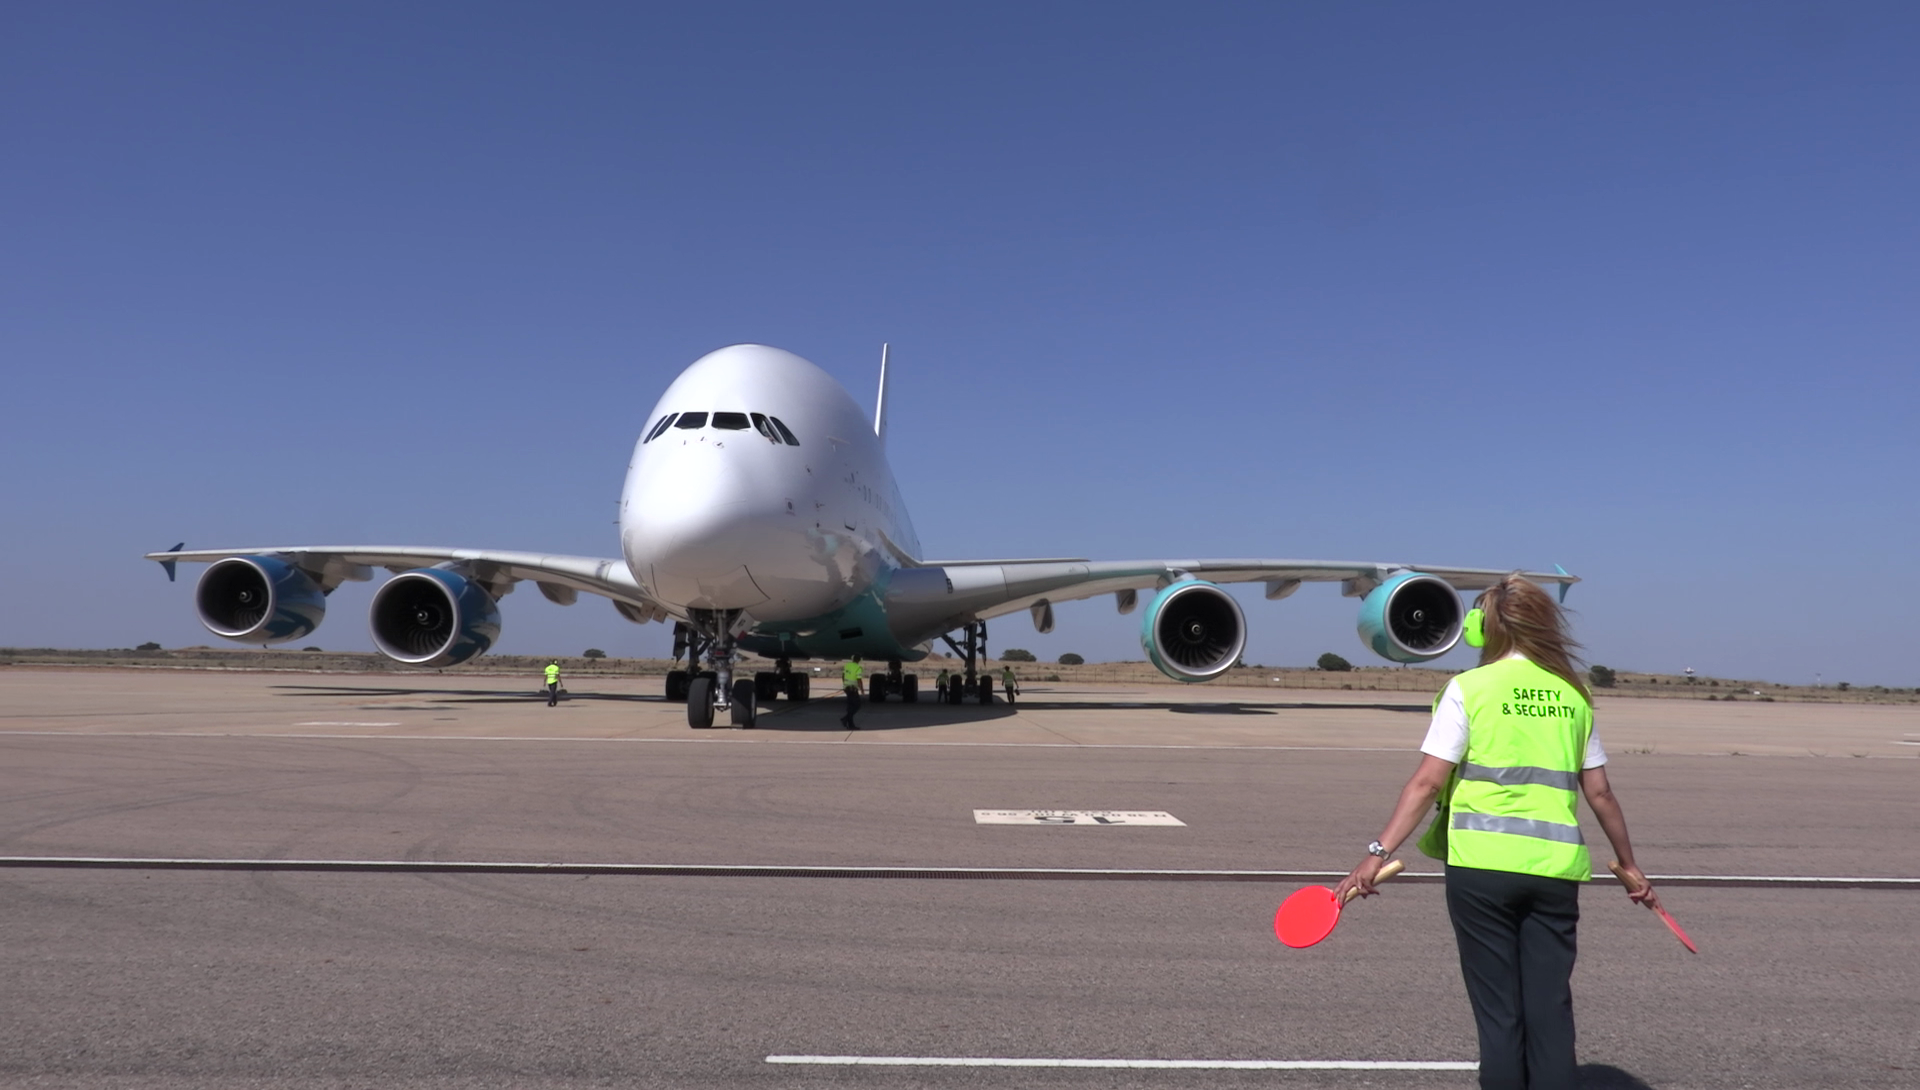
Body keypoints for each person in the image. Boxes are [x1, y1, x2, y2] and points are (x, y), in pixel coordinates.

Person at [1333, 574, 1660, 1090]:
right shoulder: (1573, 697)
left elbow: (1427, 782)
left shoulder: (1468, 690)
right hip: (1554, 871)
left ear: (1480, 629)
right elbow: (1600, 794)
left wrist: (1377, 852)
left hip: (1481, 869)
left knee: (1498, 1012)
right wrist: (1630, 865)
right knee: (1549, 1008)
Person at [840, 653, 864, 729]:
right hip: (853, 689)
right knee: (857, 705)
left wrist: (844, 684)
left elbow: (843, 675)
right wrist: (862, 689)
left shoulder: (847, 665)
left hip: (847, 688)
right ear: (859, 660)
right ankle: (845, 719)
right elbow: (859, 679)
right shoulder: (858, 667)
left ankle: (850, 724)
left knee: (850, 706)